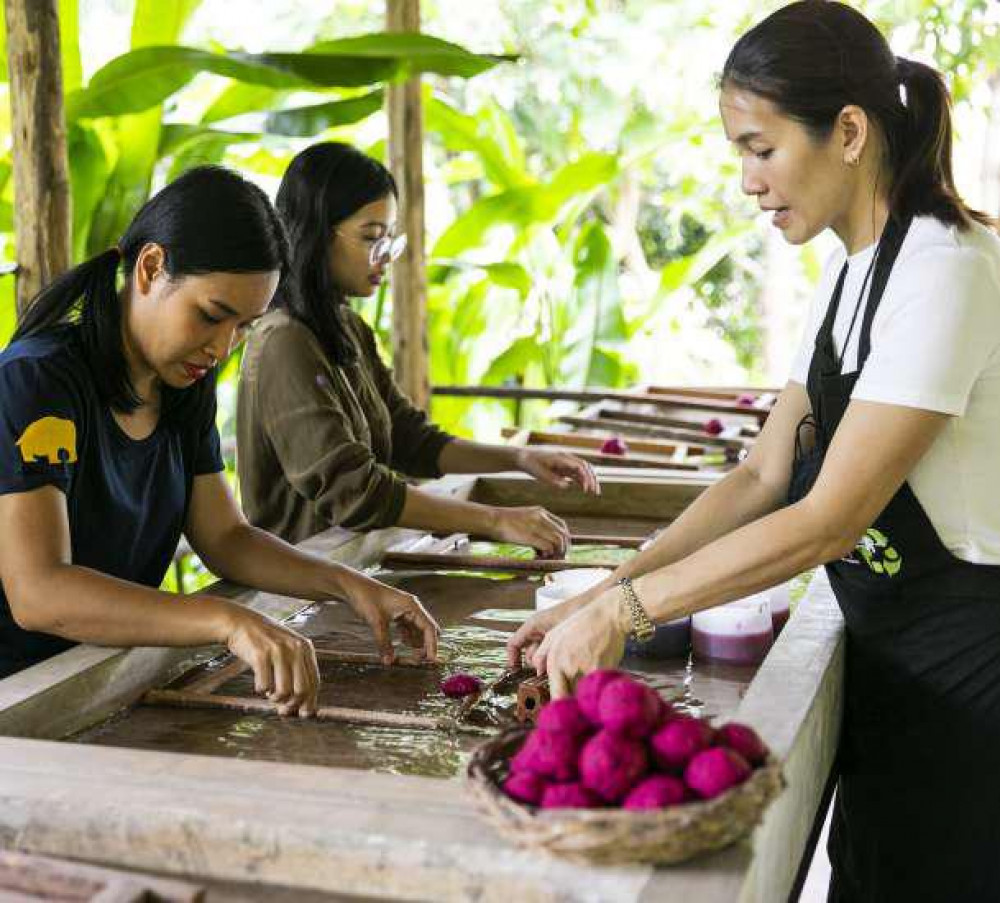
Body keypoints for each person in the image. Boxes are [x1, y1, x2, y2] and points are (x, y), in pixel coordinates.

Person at [506, 3, 1000, 899]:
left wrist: (629, 616)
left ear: (849, 131)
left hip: (974, 676)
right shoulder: (852, 271)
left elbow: (826, 519)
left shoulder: (948, 269)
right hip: (893, 669)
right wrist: (608, 588)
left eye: (761, 148)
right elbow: (762, 475)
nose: (747, 182)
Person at [0, 165, 438, 717]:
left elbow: (225, 536)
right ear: (151, 268)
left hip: (91, 681)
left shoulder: (183, 386)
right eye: (212, 315)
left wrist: (349, 585)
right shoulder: (37, 381)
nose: (222, 347)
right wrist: (226, 620)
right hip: (16, 696)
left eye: (243, 327)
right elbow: (39, 591)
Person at [236, 142, 598, 555]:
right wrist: (495, 520)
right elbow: (353, 491)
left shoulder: (347, 327)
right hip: (294, 593)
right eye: (371, 238)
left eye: (389, 238)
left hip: (354, 568)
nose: (385, 257)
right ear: (317, 233)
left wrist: (519, 459)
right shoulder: (284, 340)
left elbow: (410, 439)